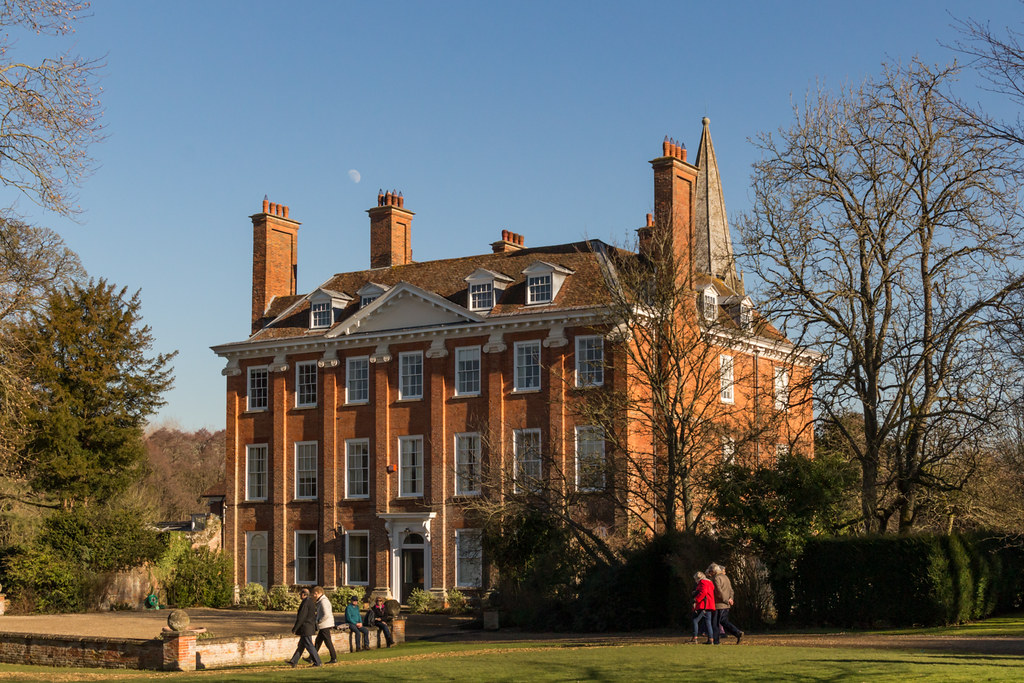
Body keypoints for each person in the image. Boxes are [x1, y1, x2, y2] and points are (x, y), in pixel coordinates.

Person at [707, 563, 744, 645]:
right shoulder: (726, 577)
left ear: (713, 571)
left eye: (710, 571)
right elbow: (731, 590)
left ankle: (716, 641)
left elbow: (718, 591)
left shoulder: (716, 578)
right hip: (726, 604)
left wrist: (726, 600)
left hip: (719, 604)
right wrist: (731, 599)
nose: (710, 573)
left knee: (715, 623)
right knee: (723, 621)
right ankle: (737, 633)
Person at [287, 588, 322, 667]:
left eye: (300, 594)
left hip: (306, 627)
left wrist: (295, 628)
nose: (300, 596)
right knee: (301, 645)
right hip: (309, 626)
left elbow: (301, 617)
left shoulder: (305, 603)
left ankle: (317, 662)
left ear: (303, 595)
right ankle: (293, 661)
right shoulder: (311, 602)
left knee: (309, 645)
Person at [312, 586, 337, 663]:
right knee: (318, 641)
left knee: (327, 642)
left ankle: (334, 658)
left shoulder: (323, 601)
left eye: (315, 594)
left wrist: (319, 621)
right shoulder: (322, 601)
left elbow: (326, 614)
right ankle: (311, 657)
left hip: (325, 624)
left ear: (319, 593)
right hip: (324, 624)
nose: (314, 596)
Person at [690, 571, 715, 644]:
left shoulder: (702, 582)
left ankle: (695, 637)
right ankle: (711, 639)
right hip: (709, 605)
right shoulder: (710, 583)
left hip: (703, 605)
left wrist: (696, 600)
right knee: (708, 622)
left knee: (695, 620)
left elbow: (703, 592)